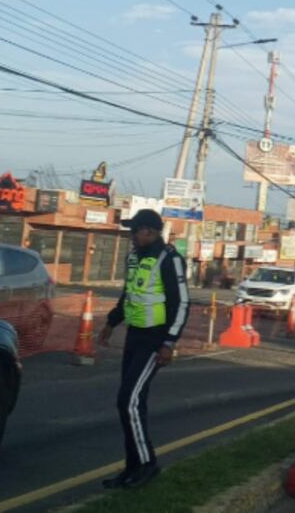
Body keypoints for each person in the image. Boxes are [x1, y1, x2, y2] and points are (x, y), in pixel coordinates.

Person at [98, 209, 190, 489]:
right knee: (132, 403)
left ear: (149, 231)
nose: (132, 236)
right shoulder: (135, 258)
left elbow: (182, 303)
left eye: (135, 230)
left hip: (155, 340)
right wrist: (111, 322)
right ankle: (132, 467)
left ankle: (148, 465)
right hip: (134, 336)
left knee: (128, 401)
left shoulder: (169, 259)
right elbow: (129, 294)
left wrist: (169, 342)